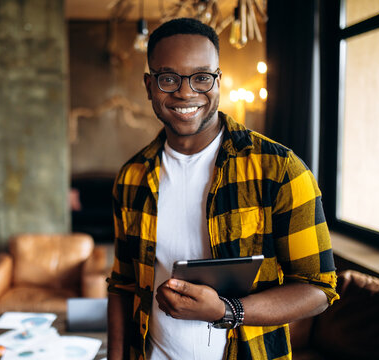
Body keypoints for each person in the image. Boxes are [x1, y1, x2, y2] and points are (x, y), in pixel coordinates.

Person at [107, 18, 339, 360]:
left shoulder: (279, 170)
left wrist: (227, 311)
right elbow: (122, 286)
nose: (185, 92)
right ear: (149, 85)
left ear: (218, 80)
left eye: (201, 77)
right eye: (168, 78)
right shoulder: (132, 177)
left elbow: (318, 289)